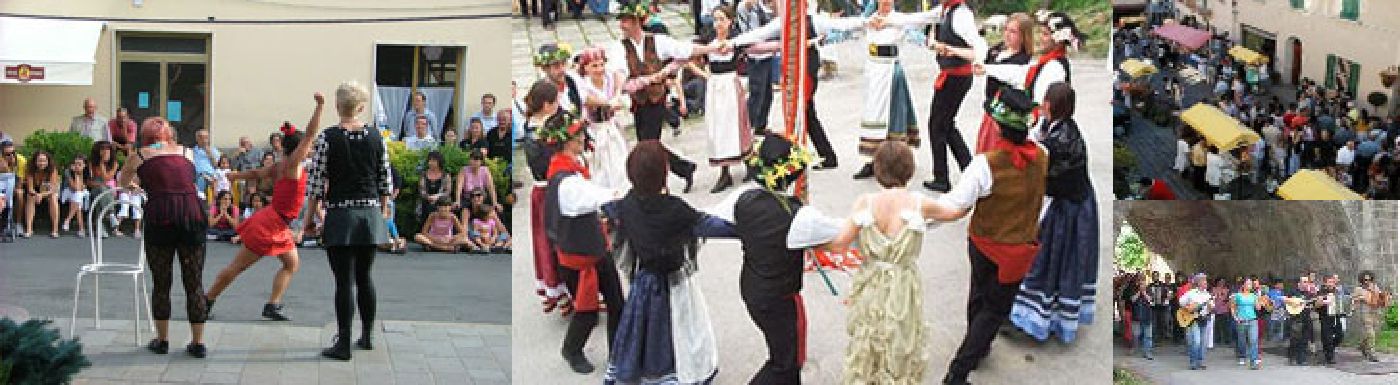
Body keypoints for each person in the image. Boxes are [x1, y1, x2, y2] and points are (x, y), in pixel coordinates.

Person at [604, 141, 722, 384]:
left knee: (643, 329)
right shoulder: (675, 209)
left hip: (644, 282)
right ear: (664, 174)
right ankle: (673, 374)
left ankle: (644, 372)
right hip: (674, 281)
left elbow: (606, 209)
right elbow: (708, 224)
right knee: (680, 328)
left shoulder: (627, 204)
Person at [205, 95, 324, 324]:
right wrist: (319, 107)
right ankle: (206, 300)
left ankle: (273, 304)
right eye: (306, 148)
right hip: (270, 225)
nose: (309, 150)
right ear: (299, 148)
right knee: (237, 267)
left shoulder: (280, 166)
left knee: (291, 263)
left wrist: (236, 175)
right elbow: (310, 134)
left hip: (275, 222)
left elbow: (257, 174)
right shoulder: (291, 166)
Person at [726, 0, 868, 172]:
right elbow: (759, 34)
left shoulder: (813, 20)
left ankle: (807, 156)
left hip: (807, 70)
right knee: (804, 114)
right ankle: (821, 156)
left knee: (802, 111)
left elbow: (841, 24)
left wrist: (866, 21)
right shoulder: (783, 22)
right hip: (792, 70)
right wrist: (732, 43)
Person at [306, 82, 393, 360]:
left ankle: (343, 343)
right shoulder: (376, 136)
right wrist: (383, 209)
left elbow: (316, 184)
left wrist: (308, 220)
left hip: (341, 213)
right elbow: (385, 178)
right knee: (365, 276)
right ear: (361, 107)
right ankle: (367, 335)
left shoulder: (326, 138)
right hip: (368, 213)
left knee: (344, 281)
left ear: (337, 106)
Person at [1008, 83, 1099, 343]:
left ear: (1050, 105)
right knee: (1059, 263)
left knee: (1049, 261)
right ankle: (1049, 316)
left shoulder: (1060, 141)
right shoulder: (1058, 127)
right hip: (1076, 200)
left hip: (1068, 208)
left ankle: (1034, 319)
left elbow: (1039, 168)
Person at [539, 113, 626, 373]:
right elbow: (592, 196)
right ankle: (571, 350)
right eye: (578, 135)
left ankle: (619, 353)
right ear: (567, 142)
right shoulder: (566, 181)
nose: (582, 139)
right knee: (586, 312)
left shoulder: (570, 166)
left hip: (596, 247)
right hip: (579, 257)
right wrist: (620, 195)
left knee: (617, 304)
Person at [119, 117, 210, 358]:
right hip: (191, 213)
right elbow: (192, 177)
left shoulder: (140, 154)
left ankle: (162, 339)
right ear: (170, 135)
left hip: (161, 214)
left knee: (161, 281)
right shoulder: (187, 152)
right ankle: (198, 343)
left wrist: (137, 186)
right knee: (194, 282)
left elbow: (123, 181)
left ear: (146, 136)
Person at [608, 1, 715, 192]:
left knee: (648, 146)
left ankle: (660, 183)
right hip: (639, 102)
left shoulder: (656, 41)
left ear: (637, 22)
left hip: (656, 100)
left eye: (625, 21)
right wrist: (618, 93)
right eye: (621, 21)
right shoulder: (621, 47)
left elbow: (685, 50)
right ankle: (683, 168)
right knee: (647, 145)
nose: (622, 25)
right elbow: (619, 72)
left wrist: (712, 48)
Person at [846, 0, 935, 181]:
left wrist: (931, 44)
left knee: (893, 117)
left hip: (890, 71)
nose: (886, 2)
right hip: (873, 71)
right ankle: (874, 160)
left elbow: (919, 24)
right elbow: (849, 29)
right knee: (873, 115)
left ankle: (897, 163)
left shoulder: (899, 19)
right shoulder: (869, 19)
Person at [917, 0, 987, 192]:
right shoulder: (946, 10)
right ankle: (969, 170)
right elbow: (918, 17)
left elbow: (978, 44)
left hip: (956, 77)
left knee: (937, 125)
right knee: (946, 125)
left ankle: (943, 177)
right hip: (954, 75)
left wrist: (978, 60)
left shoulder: (961, 14)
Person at [523, 81, 571, 314]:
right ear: (546, 104)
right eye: (555, 102)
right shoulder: (535, 132)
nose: (559, 106)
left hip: (552, 188)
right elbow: (544, 165)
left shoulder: (548, 123)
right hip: (547, 191)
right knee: (552, 240)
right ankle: (561, 289)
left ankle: (561, 289)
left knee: (554, 240)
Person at [698, 5, 754, 193]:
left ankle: (749, 164)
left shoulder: (736, 42)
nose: (718, 23)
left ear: (730, 21)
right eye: (715, 19)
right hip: (715, 86)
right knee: (718, 127)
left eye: (722, 19)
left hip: (731, 84)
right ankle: (724, 172)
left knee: (736, 124)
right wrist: (704, 75)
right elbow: (687, 56)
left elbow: (757, 50)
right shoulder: (708, 41)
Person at [969, 13, 1033, 154]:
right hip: (990, 110)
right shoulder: (999, 50)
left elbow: (1008, 73)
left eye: (1013, 32)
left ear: (1024, 36)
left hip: (1006, 118)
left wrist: (986, 68)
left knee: (997, 156)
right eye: (1006, 30)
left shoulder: (1023, 60)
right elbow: (980, 56)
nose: (1007, 35)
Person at [573, 46, 631, 191]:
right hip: (595, 130)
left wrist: (618, 96)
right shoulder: (583, 85)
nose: (599, 69)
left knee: (619, 161)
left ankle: (621, 192)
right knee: (599, 165)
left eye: (601, 64)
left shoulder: (610, 79)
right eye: (594, 66)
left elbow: (621, 73)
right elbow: (586, 100)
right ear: (585, 68)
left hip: (611, 127)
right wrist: (609, 103)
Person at [22, 150, 60, 238]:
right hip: (35, 191)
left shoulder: (52, 169)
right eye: (39, 160)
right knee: (30, 197)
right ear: (35, 161)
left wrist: (41, 195)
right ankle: (29, 229)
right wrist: (36, 194)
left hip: (48, 191)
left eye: (44, 160)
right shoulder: (30, 169)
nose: (41, 163)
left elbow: (53, 189)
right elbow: (30, 188)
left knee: (53, 198)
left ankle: (55, 230)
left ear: (48, 161)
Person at [1352, 271, 1387, 362]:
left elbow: (1380, 297)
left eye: (1369, 279)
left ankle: (1363, 345)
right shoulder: (1359, 289)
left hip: (1375, 311)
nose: (1367, 281)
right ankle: (1372, 353)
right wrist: (1361, 298)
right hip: (1364, 312)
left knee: (1373, 332)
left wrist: (1384, 298)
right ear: (1362, 280)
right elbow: (1354, 299)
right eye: (1365, 279)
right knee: (1370, 333)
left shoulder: (1375, 287)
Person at [1180, 273, 1213, 370]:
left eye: (1206, 280)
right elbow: (1181, 302)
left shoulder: (1208, 295)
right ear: (1198, 282)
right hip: (1193, 319)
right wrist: (1188, 308)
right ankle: (1193, 362)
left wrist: (1210, 307)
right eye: (1203, 280)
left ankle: (1201, 361)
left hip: (1204, 318)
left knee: (1203, 342)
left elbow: (1211, 308)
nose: (1206, 282)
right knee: (1197, 341)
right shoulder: (1191, 293)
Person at [87, 142, 120, 237]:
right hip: (95, 188)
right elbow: (88, 182)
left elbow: (106, 178)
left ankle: (100, 228)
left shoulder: (114, 163)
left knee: (102, 193)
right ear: (98, 151)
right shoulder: (92, 163)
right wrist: (101, 162)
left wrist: (102, 163)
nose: (106, 152)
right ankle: (111, 215)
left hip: (110, 190)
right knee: (101, 190)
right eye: (103, 149)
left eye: (108, 149)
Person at [1232, 278, 1263, 369]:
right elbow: (1233, 307)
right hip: (1241, 320)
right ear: (1243, 285)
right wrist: (1235, 317)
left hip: (1252, 320)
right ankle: (1242, 356)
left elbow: (1258, 308)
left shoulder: (1254, 295)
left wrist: (1260, 300)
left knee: (1253, 340)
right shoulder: (1237, 295)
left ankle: (1253, 361)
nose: (1250, 285)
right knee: (1242, 340)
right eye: (1248, 283)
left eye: (1251, 284)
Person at [418, 151, 454, 224]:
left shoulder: (445, 175)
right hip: (426, 201)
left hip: (441, 201)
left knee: (438, 207)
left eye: (433, 161)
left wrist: (437, 197)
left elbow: (447, 191)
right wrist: (429, 197)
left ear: (439, 162)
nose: (430, 163)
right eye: (429, 160)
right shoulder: (424, 174)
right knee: (427, 207)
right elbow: (421, 190)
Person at [59, 155, 90, 237]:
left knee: (78, 196)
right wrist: (76, 174)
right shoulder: (67, 171)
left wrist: (80, 174)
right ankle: (81, 229)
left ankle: (67, 220)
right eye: (75, 164)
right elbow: (75, 187)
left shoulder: (87, 172)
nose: (77, 166)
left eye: (79, 164)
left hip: (79, 193)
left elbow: (82, 188)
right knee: (78, 197)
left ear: (84, 165)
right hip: (67, 191)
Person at [1317, 274, 1342, 365]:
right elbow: (1317, 304)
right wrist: (1324, 302)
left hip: (1336, 316)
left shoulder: (1337, 291)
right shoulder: (1321, 291)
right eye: (1329, 282)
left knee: (1340, 335)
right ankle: (1330, 356)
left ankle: (1328, 348)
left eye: (1332, 282)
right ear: (1325, 283)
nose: (1331, 283)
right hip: (1325, 317)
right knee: (1327, 337)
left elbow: (1342, 301)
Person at [1128, 273, 1155, 359]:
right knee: (1135, 335)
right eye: (1140, 280)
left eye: (1143, 280)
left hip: (1147, 316)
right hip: (1136, 317)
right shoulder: (1133, 289)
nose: (1141, 282)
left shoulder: (1149, 289)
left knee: (1148, 336)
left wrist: (1144, 292)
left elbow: (1151, 300)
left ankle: (1147, 352)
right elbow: (1132, 300)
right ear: (1137, 282)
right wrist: (1139, 292)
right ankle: (1133, 347)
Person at [191, 129, 221, 200]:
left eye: (206, 137)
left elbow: (217, 166)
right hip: (197, 176)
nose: (204, 140)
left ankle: (212, 204)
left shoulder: (214, 150)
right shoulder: (192, 151)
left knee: (207, 179)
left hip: (211, 176)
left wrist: (209, 153)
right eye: (201, 137)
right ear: (197, 139)